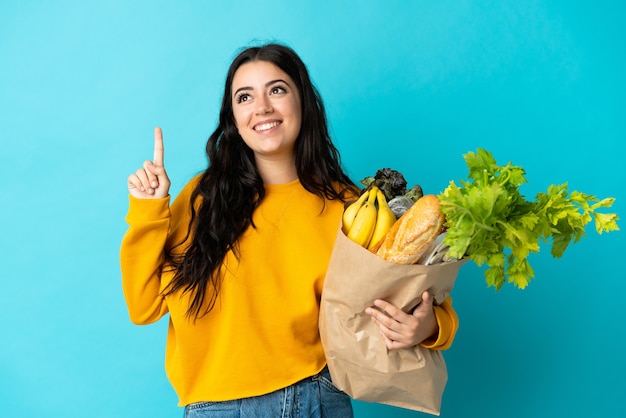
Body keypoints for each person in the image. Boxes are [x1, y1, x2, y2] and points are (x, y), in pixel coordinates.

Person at [121, 42, 458, 418]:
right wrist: (148, 210)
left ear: (303, 102)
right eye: (244, 97)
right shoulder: (202, 199)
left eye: (277, 90)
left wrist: (429, 326)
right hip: (213, 407)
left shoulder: (352, 207)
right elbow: (144, 306)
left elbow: (412, 295)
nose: (262, 107)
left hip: (314, 397)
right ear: (233, 117)